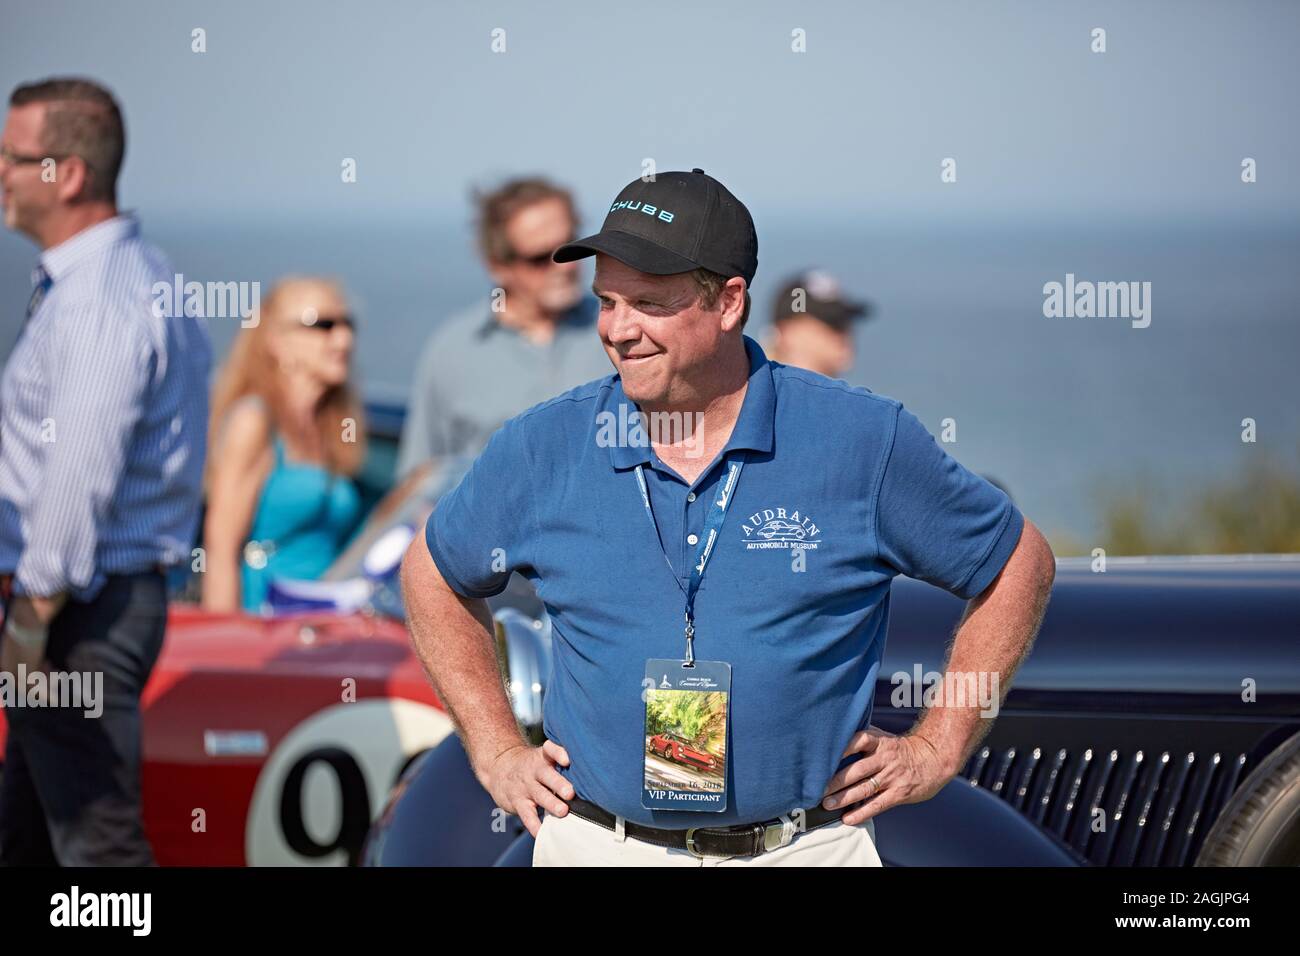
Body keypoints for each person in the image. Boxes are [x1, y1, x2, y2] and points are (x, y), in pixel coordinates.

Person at [401, 167, 1056, 867]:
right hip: (595, 845)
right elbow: (432, 574)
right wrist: (497, 749)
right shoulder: (544, 446)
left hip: (804, 849)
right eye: (606, 302)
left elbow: (1019, 562)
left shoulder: (862, 441)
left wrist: (937, 746)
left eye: (647, 303)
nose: (618, 331)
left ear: (729, 302)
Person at [0, 77, 211, 865]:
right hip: (86, 608)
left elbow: (75, 476)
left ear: (69, 175)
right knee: (31, 841)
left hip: (75, 615)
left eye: (14, 157)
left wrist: (28, 618)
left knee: (98, 852)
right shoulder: (132, 276)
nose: (2, 174)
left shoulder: (97, 300)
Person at [395, 177, 612, 477]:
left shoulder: (619, 330)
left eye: (571, 249)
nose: (565, 266)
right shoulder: (452, 351)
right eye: (540, 259)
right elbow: (420, 478)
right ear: (497, 265)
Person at [202, 277, 365, 614]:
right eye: (322, 325)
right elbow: (220, 549)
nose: (343, 339)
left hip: (322, 627)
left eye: (348, 324)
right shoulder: (254, 420)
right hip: (264, 623)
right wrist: (225, 647)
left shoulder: (329, 428)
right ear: (276, 341)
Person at [764, 269, 871, 379]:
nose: (846, 331)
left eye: (847, 320)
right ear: (786, 332)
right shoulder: (758, 392)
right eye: (832, 321)